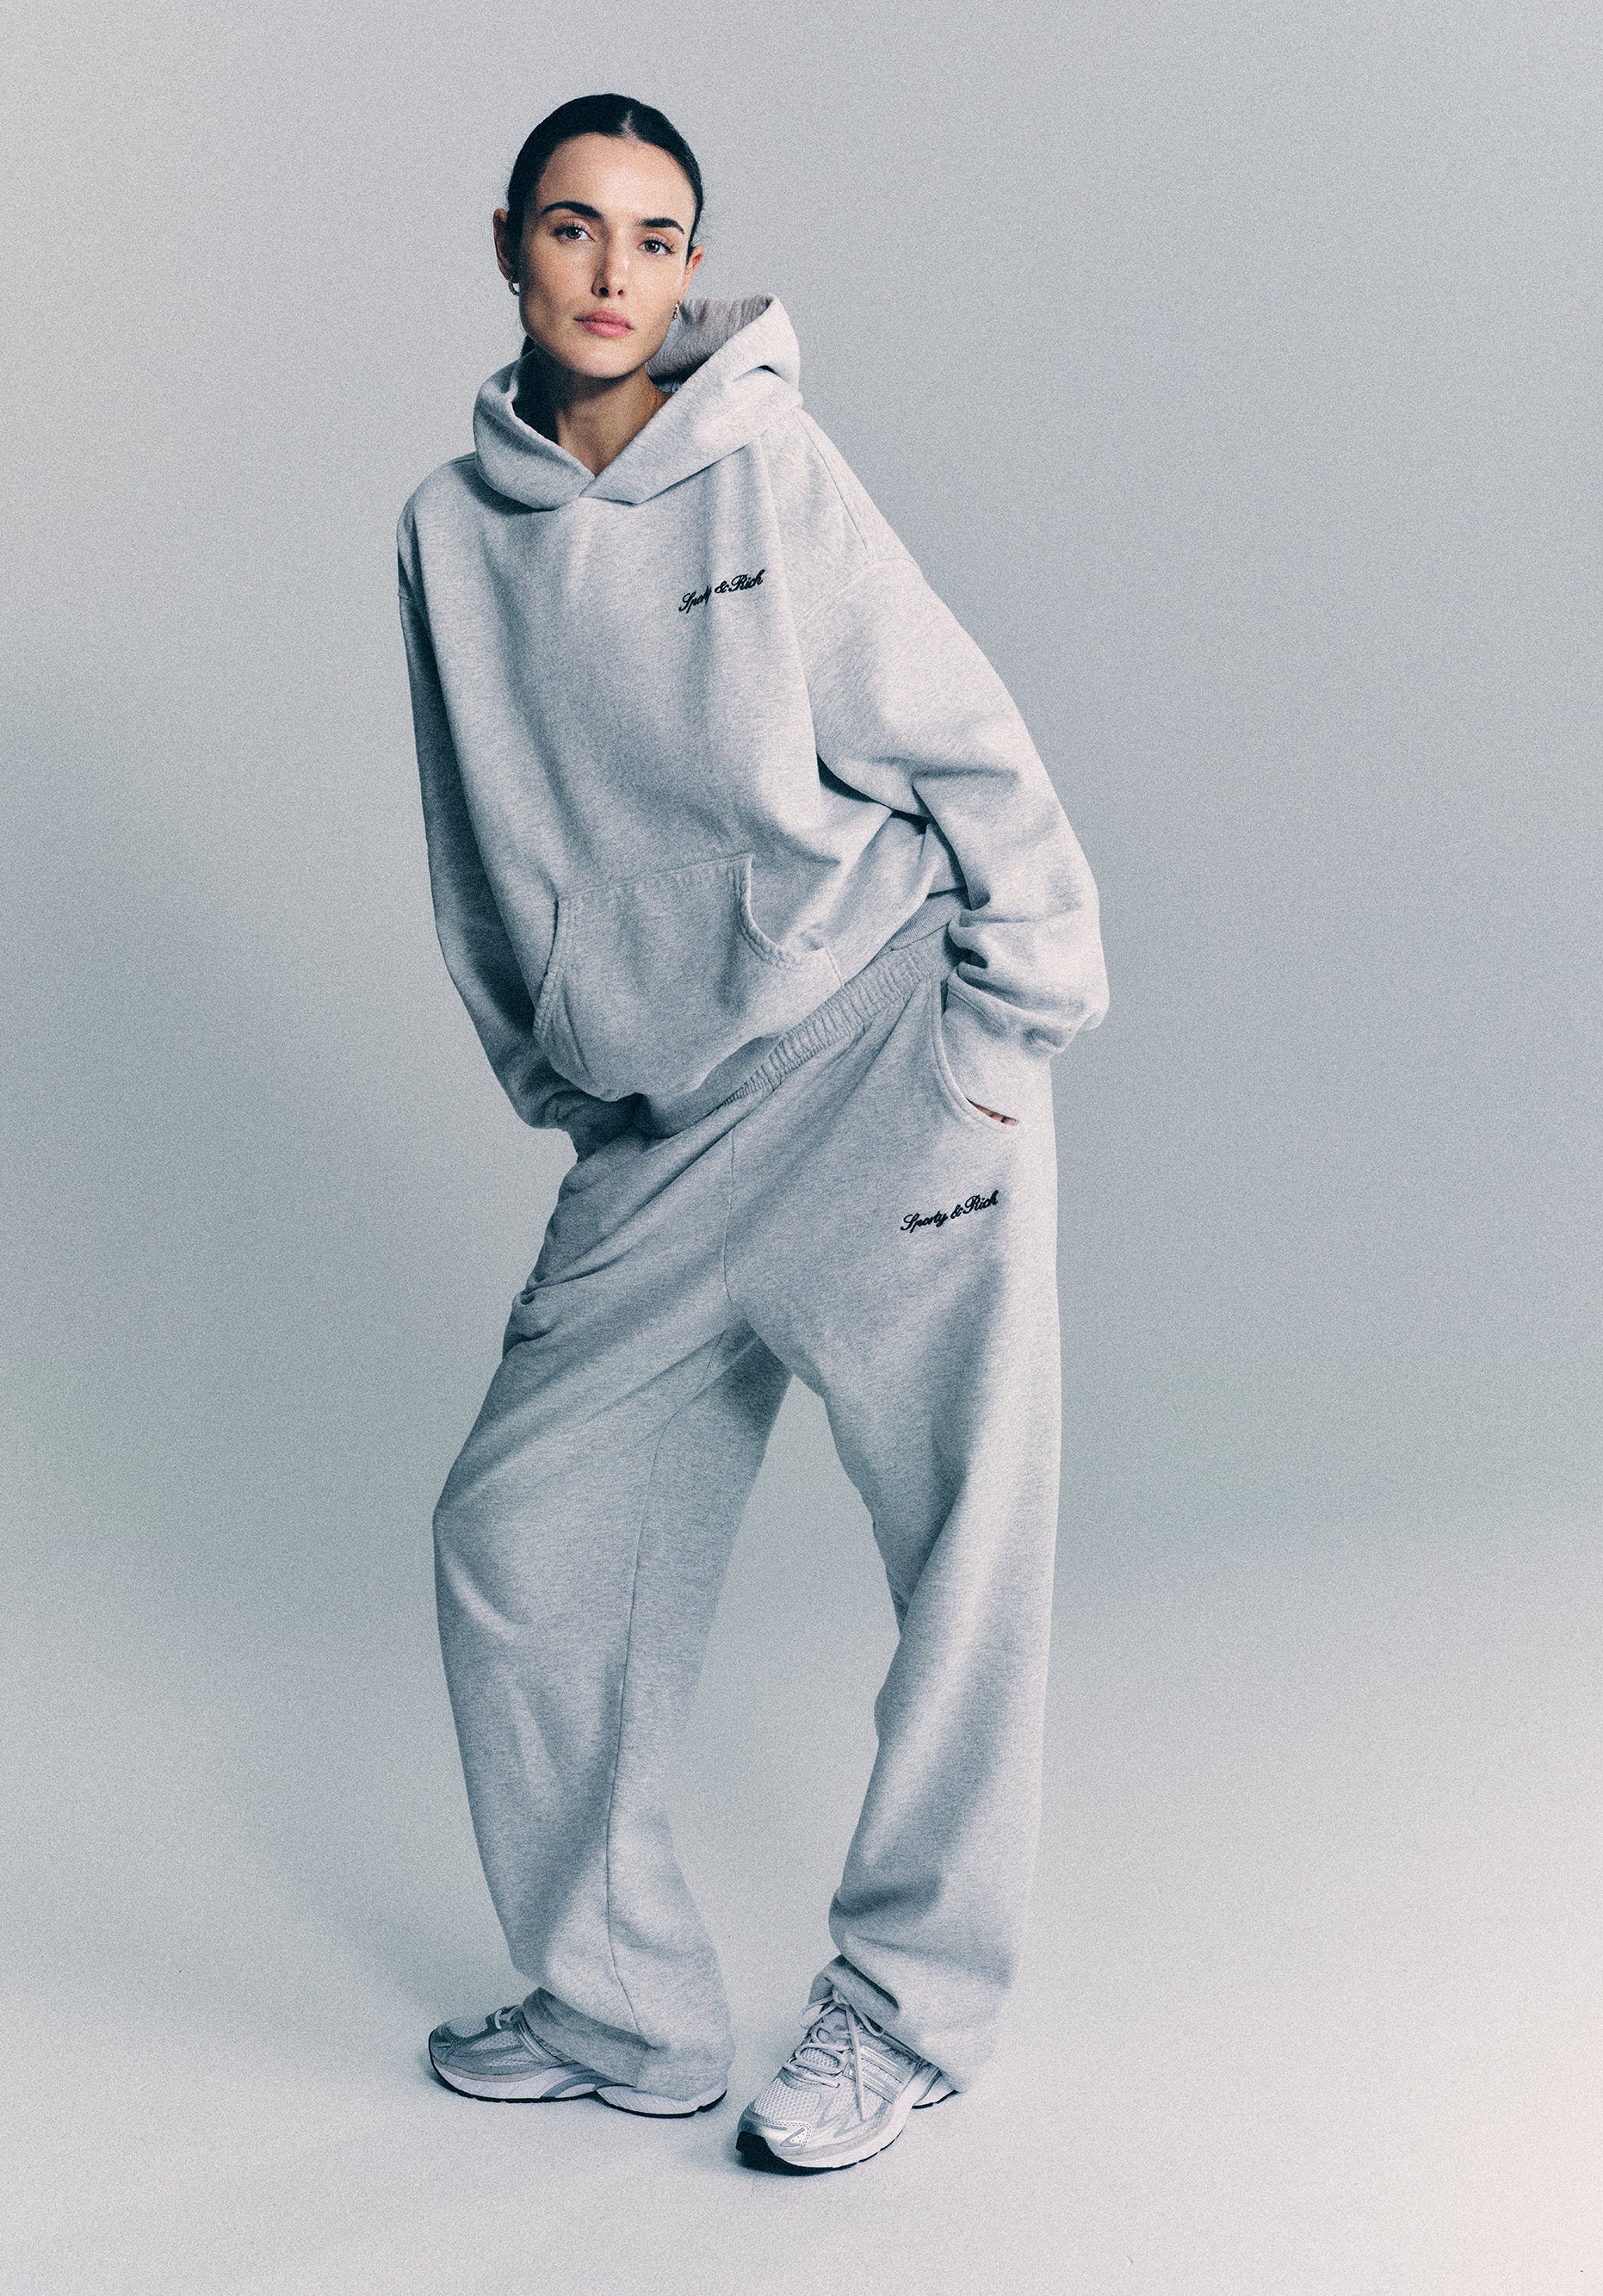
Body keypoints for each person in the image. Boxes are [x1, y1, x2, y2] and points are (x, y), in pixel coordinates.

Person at [395, 91, 1109, 2175]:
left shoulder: (767, 466)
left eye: (654, 236)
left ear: (692, 268)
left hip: (884, 1059)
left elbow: (968, 748)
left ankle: (904, 2008)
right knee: (516, 1535)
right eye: (573, 227)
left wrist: (1002, 1039)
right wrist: (560, 1066)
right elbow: (468, 830)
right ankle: (618, 2005)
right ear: (508, 246)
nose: (613, 272)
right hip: (658, 1132)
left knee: (965, 1555)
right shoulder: (447, 530)